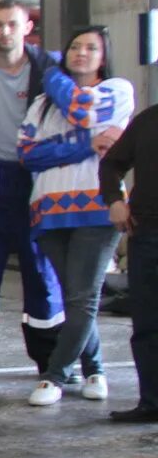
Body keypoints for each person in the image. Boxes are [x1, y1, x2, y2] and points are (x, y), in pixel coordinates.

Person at [0, 1, 87, 377]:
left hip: (37, 180)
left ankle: (51, 359)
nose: (4, 31)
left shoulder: (52, 71)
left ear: (27, 26)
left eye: (12, 24)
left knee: (42, 274)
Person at [18, 25, 134, 406]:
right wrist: (85, 144)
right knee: (75, 297)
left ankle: (55, 375)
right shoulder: (41, 103)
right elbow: (29, 153)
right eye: (74, 46)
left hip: (97, 210)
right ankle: (96, 369)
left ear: (103, 57)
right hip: (49, 211)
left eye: (90, 48)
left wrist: (52, 76)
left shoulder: (117, 91)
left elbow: (82, 111)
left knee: (83, 297)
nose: (80, 53)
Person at [101, 102, 158, 422]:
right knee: (148, 323)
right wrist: (115, 200)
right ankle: (152, 402)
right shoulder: (149, 120)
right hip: (148, 233)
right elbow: (111, 164)